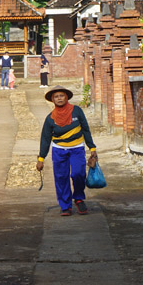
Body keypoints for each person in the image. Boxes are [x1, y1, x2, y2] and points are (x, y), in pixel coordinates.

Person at [35, 86, 97, 216]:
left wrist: (92, 148)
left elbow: (86, 129)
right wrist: (41, 159)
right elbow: (45, 139)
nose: (59, 98)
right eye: (56, 97)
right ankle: (65, 205)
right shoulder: (50, 118)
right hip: (59, 151)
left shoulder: (77, 111)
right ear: (52, 100)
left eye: (61, 96)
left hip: (77, 149)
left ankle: (79, 198)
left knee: (78, 174)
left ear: (66, 97)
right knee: (61, 178)